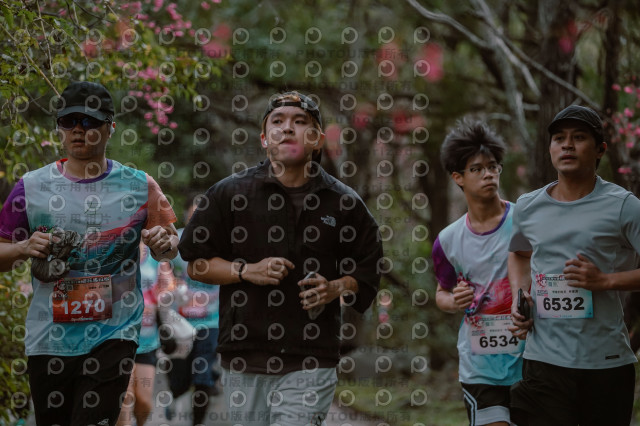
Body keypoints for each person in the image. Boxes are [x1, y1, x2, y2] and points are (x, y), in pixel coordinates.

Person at [178, 91, 382, 426]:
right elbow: (196, 264)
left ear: (317, 139)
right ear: (264, 138)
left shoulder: (344, 203)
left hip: (313, 357)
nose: (287, 128)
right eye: (278, 121)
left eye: (300, 122)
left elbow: (369, 267)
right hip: (245, 354)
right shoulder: (229, 194)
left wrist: (335, 287)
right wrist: (245, 271)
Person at [0, 81, 179, 426]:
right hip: (50, 339)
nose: (79, 129)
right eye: (69, 121)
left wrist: (162, 243)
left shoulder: (139, 185)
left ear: (111, 127)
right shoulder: (31, 187)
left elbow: (170, 245)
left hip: (114, 334)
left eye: (90, 121)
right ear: (59, 127)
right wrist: (23, 247)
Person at [508, 105, 639, 425]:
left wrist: (605, 281)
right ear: (550, 148)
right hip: (543, 363)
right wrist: (520, 297)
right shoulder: (527, 206)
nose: (567, 145)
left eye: (579, 137)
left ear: (600, 150)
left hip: (605, 364)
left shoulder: (624, 206)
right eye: (559, 138)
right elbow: (520, 254)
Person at [432, 119, 523, 426]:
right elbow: (441, 293)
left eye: (493, 166)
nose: (488, 174)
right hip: (480, 367)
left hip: (532, 360)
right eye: (477, 169)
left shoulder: (525, 220)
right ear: (458, 177)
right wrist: (454, 300)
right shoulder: (448, 240)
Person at [167, 197, 221, 425]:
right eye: (194, 215)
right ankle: (174, 398)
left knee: (203, 376)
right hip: (180, 323)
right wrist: (171, 283)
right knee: (179, 378)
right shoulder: (176, 241)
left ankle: (197, 422)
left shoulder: (223, 243)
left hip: (210, 323)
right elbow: (160, 269)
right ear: (187, 217)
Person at [117, 243, 162, 426]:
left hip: (147, 340)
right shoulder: (115, 254)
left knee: (144, 402)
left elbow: (167, 287)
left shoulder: (154, 255)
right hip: (118, 338)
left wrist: (164, 296)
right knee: (125, 397)